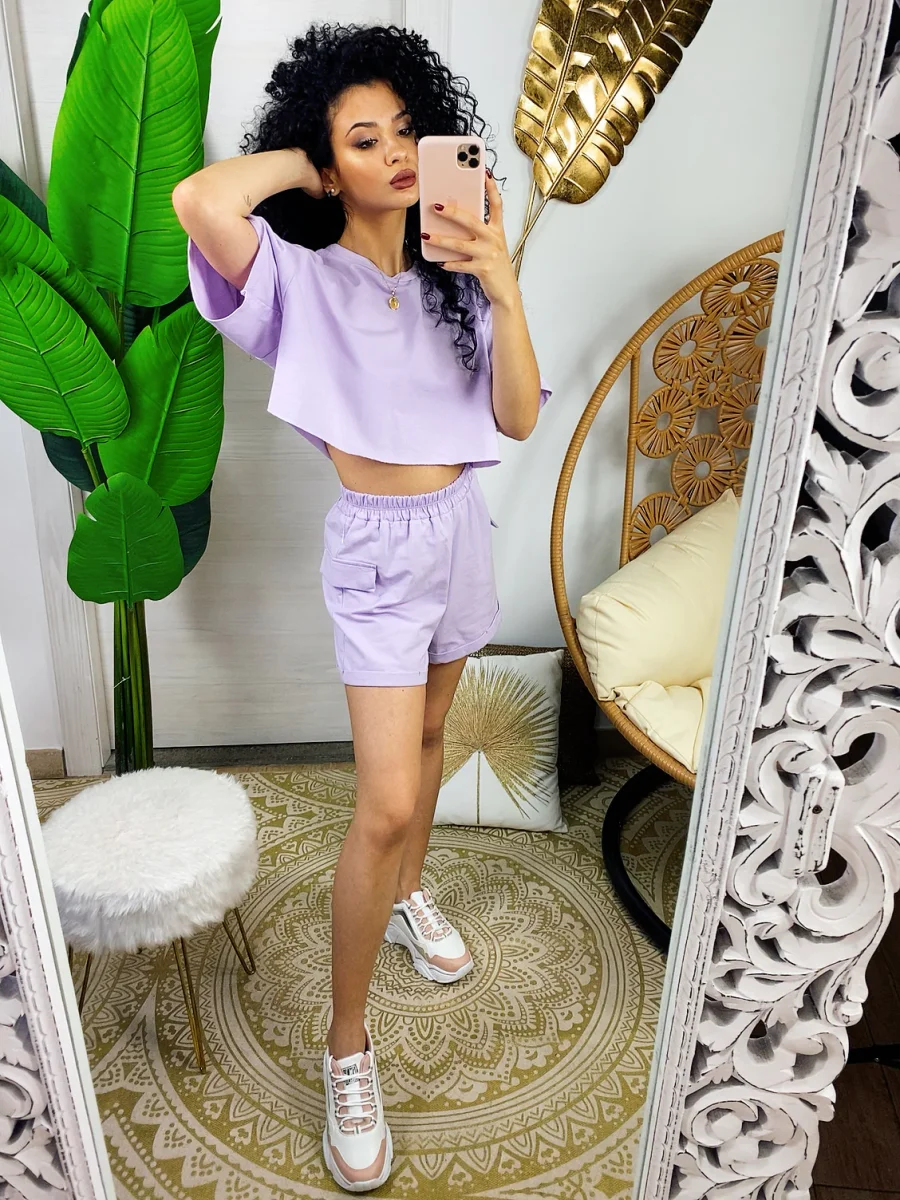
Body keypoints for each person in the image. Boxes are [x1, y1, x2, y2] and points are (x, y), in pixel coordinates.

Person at [172, 21, 550, 1193]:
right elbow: (199, 200)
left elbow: (519, 416)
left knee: (431, 739)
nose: (393, 155)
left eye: (405, 133)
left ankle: (409, 894)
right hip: (379, 553)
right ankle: (348, 1046)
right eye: (364, 138)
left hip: (459, 529)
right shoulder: (299, 283)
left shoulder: (456, 280)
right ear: (329, 162)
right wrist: (307, 159)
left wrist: (502, 281)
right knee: (383, 801)